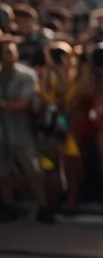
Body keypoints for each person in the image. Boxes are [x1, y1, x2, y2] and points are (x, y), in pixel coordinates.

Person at [0, 29, 54, 222]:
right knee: (3, 171)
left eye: (12, 50)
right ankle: (7, 206)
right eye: (6, 51)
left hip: (23, 130)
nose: (10, 54)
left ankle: (44, 206)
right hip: (2, 131)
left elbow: (23, 104)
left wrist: (5, 105)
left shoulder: (27, 75)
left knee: (33, 170)